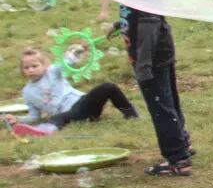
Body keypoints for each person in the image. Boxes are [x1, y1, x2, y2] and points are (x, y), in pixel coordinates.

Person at [8, 46, 138, 137]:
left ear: (44, 65)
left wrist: (77, 51)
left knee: (108, 87)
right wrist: (17, 119)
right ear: (22, 70)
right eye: (26, 67)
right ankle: (44, 130)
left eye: (34, 66)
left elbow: (66, 63)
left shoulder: (52, 72)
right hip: (70, 116)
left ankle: (131, 115)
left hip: (83, 105)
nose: (31, 70)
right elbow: (34, 116)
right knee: (58, 116)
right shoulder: (27, 92)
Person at [124, 6, 193, 176]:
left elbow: (149, 24)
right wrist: (121, 24)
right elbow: (141, 17)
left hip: (152, 58)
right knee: (168, 103)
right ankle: (182, 143)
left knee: (161, 108)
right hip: (160, 52)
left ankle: (178, 159)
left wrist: (143, 64)